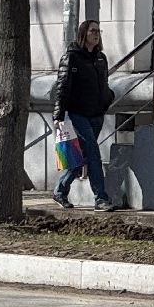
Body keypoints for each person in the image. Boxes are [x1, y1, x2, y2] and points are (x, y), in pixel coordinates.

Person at [52, 19, 120, 211]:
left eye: (98, 31)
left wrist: (108, 97)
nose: (96, 34)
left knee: (82, 155)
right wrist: (58, 114)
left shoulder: (101, 58)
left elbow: (103, 83)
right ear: (83, 34)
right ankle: (101, 198)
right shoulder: (71, 57)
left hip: (96, 113)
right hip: (78, 113)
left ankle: (60, 191)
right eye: (92, 31)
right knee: (93, 155)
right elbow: (62, 87)